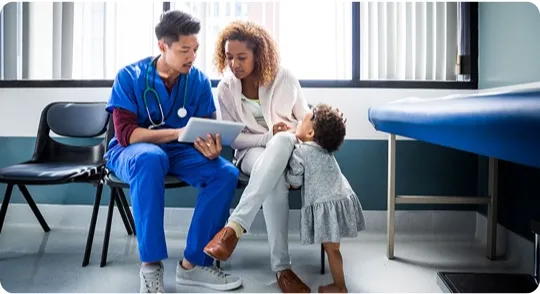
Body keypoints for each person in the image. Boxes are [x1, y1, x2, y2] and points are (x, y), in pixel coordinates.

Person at [104, 10, 242, 293]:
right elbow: (127, 134)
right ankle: (151, 266)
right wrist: (177, 133)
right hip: (131, 152)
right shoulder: (129, 76)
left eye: (195, 49)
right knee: (150, 157)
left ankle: (194, 265)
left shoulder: (199, 81)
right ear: (163, 46)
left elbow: (206, 128)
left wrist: (211, 147)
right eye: (184, 50)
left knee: (225, 173)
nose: (192, 56)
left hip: (180, 152)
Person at [201, 20, 312, 292]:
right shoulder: (226, 88)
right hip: (249, 153)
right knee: (273, 178)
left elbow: (306, 122)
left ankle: (233, 229)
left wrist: (285, 133)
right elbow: (234, 137)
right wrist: (268, 136)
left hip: (287, 150)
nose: (234, 64)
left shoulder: (284, 77)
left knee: (284, 141)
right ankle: (282, 269)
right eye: (228, 57)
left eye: (241, 57)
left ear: (258, 55)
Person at [286, 103, 365, 293]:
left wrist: (287, 178)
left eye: (302, 120)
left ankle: (340, 287)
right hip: (340, 198)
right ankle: (339, 285)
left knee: (332, 250)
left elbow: (294, 181)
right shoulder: (325, 148)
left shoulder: (301, 152)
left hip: (327, 204)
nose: (298, 122)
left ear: (311, 133)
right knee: (334, 249)